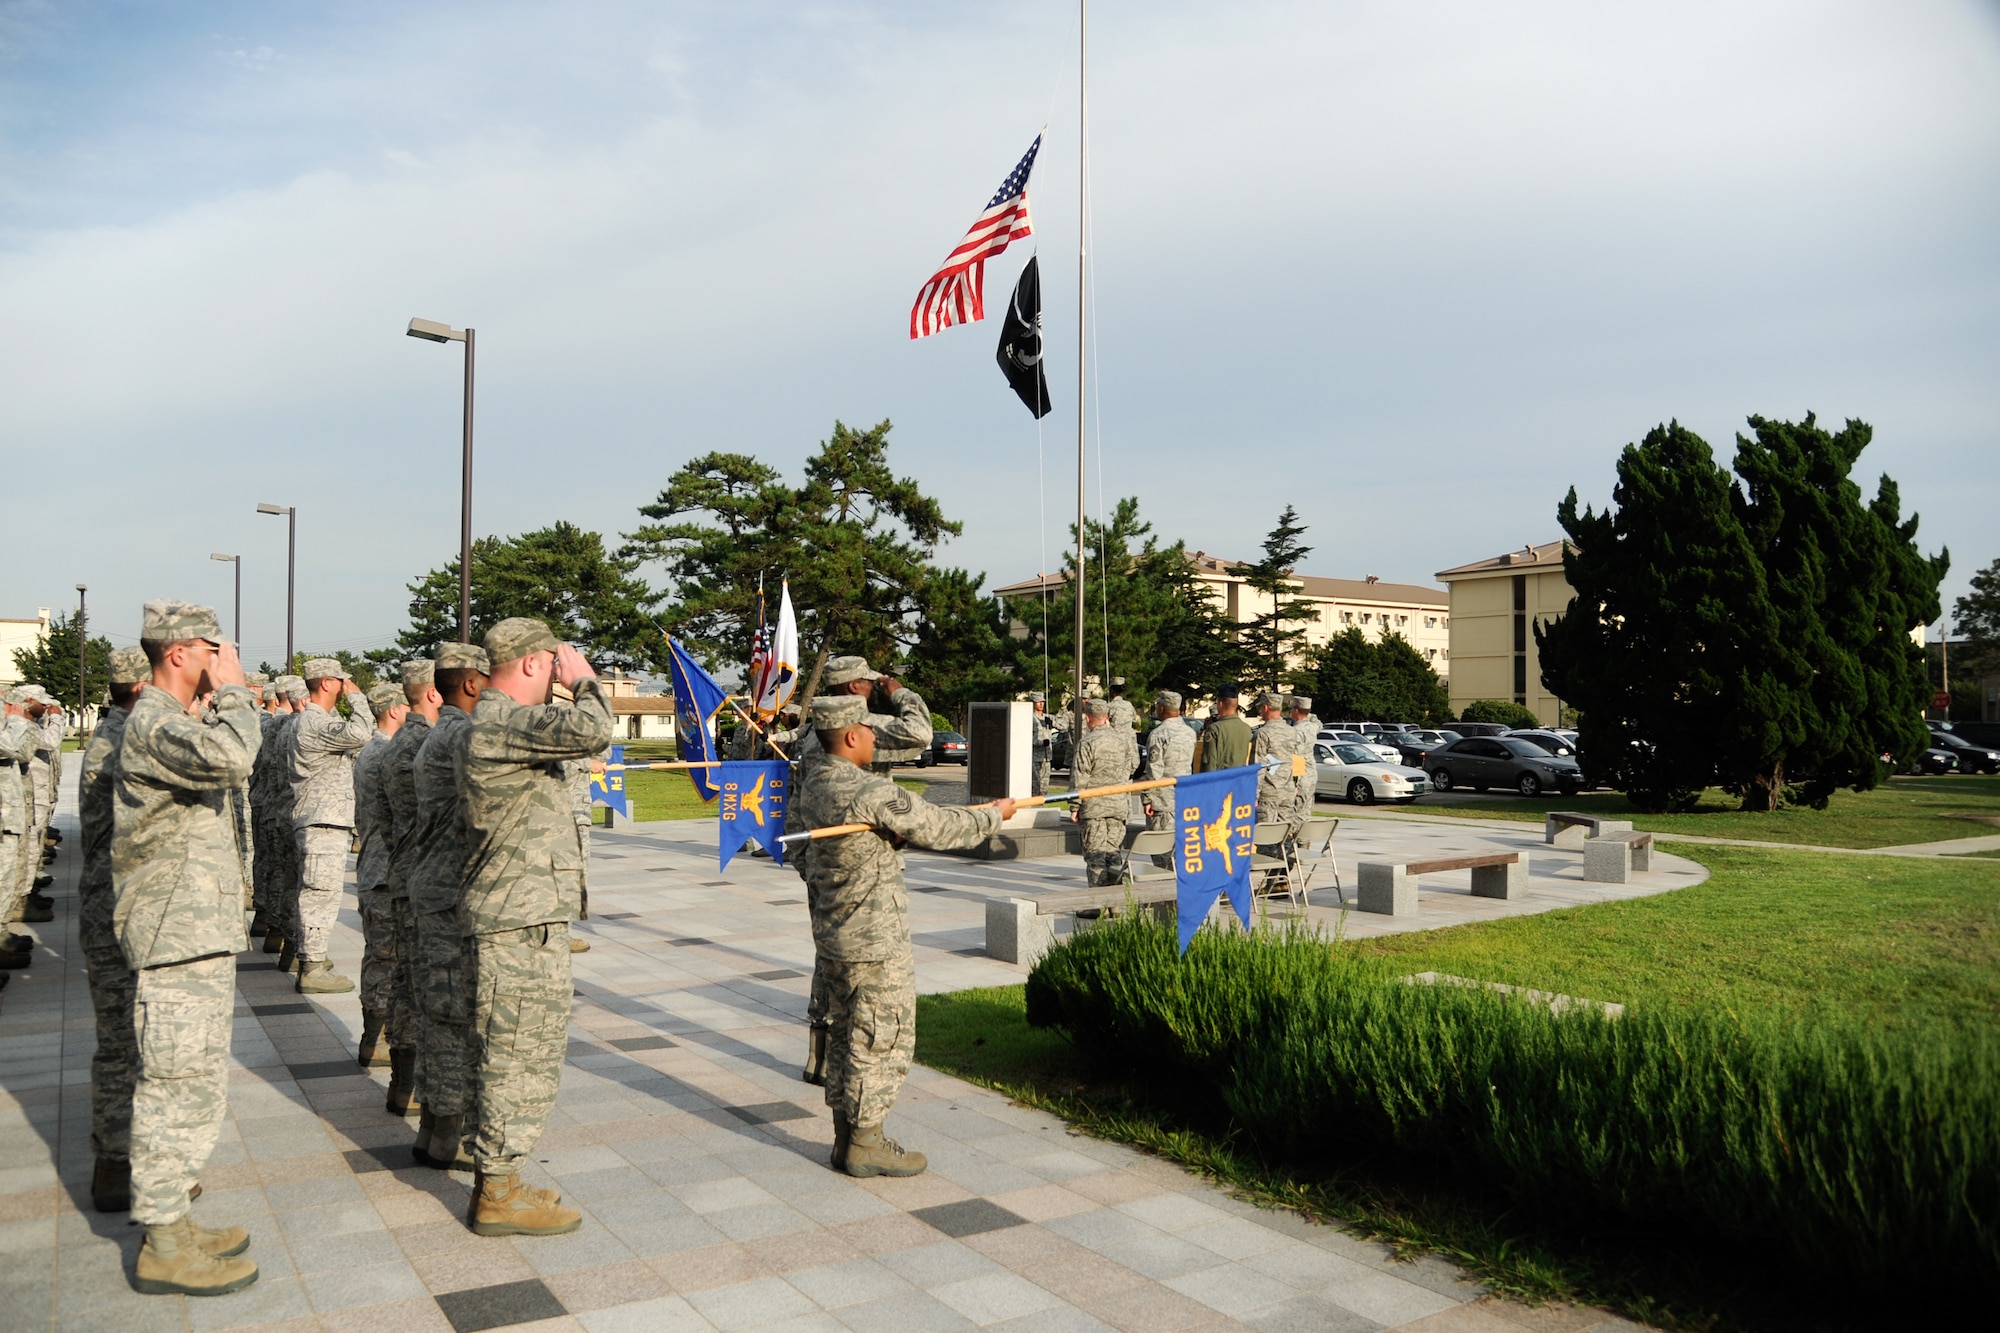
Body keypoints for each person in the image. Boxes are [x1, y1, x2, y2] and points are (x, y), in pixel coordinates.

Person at [793, 694, 1013, 1176]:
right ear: (852, 736)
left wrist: (879, 841)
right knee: (881, 1037)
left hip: (834, 933)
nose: (876, 738)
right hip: (874, 938)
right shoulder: (866, 790)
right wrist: (995, 813)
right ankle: (866, 1142)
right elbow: (938, 826)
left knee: (848, 1034)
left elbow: (816, 846)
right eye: (870, 731)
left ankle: (845, 1139)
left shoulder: (813, 784)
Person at [112, 600, 260, 1297]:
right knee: (174, 1083)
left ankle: (174, 1220)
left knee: (194, 1080)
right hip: (174, 932)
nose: (219, 660)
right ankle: (163, 1239)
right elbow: (234, 756)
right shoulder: (155, 722)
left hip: (191, 930)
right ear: (180, 653)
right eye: (211, 650)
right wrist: (234, 689)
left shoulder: (171, 723)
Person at [459, 618, 612, 1236]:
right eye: (551, 662)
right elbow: (595, 730)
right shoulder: (500, 722)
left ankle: (506, 1177)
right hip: (515, 921)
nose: (559, 671)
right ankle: (495, 1192)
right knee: (514, 1054)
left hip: (527, 915)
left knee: (526, 1053)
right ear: (529, 664)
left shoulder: (505, 726)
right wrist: (587, 681)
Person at [779, 654, 932, 1086]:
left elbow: (795, 800)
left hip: (819, 859)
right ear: (852, 689)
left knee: (827, 952)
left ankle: (819, 1057)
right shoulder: (859, 727)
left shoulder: (814, 731)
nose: (875, 686)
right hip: (863, 865)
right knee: (865, 961)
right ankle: (852, 1058)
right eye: (869, 683)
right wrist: (899, 692)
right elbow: (920, 734)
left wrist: (804, 861)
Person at [406, 644, 489, 1144]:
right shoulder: (462, 735)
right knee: (456, 1016)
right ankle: (447, 1133)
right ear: (474, 684)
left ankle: (436, 1126)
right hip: (450, 895)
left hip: (434, 888)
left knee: (440, 1015)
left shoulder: (441, 732)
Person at [78, 647, 150, 1213]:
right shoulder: (131, 738)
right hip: (123, 906)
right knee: (128, 1044)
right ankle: (120, 1163)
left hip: (108, 901)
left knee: (118, 1041)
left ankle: (114, 1159)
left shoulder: (111, 731)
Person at [285, 658, 376, 992]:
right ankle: (311, 967)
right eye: (340, 681)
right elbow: (362, 733)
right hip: (322, 819)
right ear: (327, 683)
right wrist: (358, 698)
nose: (344, 686)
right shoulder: (314, 721)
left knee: (315, 891)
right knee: (320, 894)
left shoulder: (317, 720)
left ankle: (313, 957)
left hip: (322, 817)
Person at [380, 659, 440, 1076]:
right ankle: (422, 1083)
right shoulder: (428, 745)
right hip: (428, 878)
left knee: (405, 976)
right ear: (434, 693)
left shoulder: (395, 743)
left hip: (401, 868)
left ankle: (402, 1079)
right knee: (429, 982)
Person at [352, 683, 408, 1065]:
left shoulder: (371, 750)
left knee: (381, 956)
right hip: (385, 869)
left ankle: (376, 1038)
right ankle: (379, 1040)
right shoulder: (384, 753)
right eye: (406, 705)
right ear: (392, 710)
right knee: (387, 958)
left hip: (377, 865)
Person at [247, 679, 296, 949]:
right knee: (287, 873)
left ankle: (265, 917)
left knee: (266, 863)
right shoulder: (288, 725)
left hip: (263, 801)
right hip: (286, 806)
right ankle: (283, 931)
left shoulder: (261, 724)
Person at [1072, 700, 1133, 887]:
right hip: (1118, 805)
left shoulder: (1087, 742)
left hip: (1094, 807)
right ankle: (1115, 903)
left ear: (1088, 718)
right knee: (1113, 854)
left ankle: (1098, 905)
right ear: (1106, 717)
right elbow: (1130, 768)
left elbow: (1080, 777)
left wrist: (1075, 806)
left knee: (1095, 856)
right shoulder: (1123, 740)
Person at [0, 691, 41, 969]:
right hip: (5, 812)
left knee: (7, 874)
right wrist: (15, 719)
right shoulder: (11, 721)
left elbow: (22, 752)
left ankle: (2, 934)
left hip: (10, 811)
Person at [1141, 691, 1196, 868]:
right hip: (1185, 799)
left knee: (1161, 855)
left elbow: (1153, 770)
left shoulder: (1159, 734)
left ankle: (1166, 894)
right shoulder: (1190, 732)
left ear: (1162, 708)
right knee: (1181, 851)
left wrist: (1147, 798)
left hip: (1162, 801)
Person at [1249, 691, 1308, 840]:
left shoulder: (1262, 733)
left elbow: (1258, 766)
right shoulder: (1293, 732)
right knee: (1284, 835)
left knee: (1266, 838)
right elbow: (1299, 761)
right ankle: (1285, 863)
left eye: (1261, 708)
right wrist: (1296, 784)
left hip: (1269, 793)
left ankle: (1271, 863)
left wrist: (1253, 795)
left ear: (1266, 708)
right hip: (1288, 791)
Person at [1192, 683, 1253, 772]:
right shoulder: (1246, 728)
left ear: (1220, 704)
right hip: (1238, 781)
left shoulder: (1215, 729)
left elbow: (1209, 762)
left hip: (1221, 781)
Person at [1028, 692, 1054, 796]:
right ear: (1033, 703)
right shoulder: (1030, 718)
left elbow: (1064, 726)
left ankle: (1042, 805)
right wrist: (1040, 743)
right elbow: (1026, 737)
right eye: (1038, 702)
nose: (1041, 704)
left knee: (1044, 785)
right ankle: (1033, 805)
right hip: (1035, 756)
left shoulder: (1047, 718)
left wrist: (1053, 723)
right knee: (1035, 784)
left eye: (1042, 702)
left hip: (1047, 756)